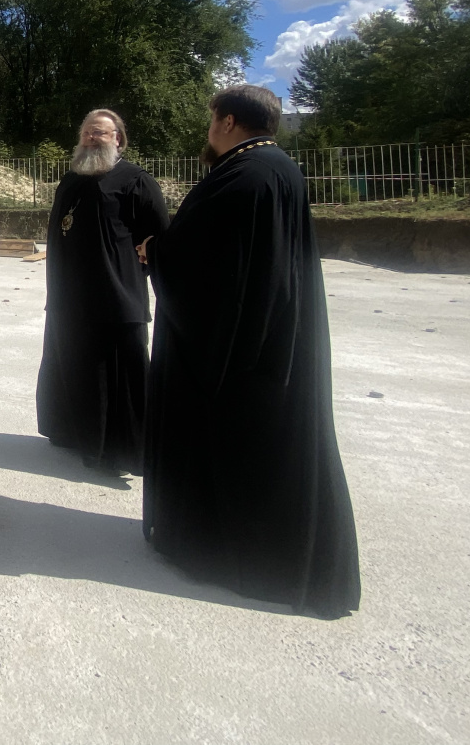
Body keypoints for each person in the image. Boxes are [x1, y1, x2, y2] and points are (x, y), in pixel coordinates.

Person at [142, 85, 361, 618]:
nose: (208, 129)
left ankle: (226, 552)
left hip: (235, 348)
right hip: (270, 334)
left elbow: (205, 263)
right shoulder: (277, 168)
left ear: (227, 122)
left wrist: (156, 251)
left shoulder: (242, 176)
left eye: (211, 118)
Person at [36, 109, 169, 474]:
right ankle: (73, 435)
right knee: (73, 367)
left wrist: (137, 271)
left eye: (100, 133)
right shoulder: (71, 180)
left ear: (118, 139)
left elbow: (159, 239)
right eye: (87, 132)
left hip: (115, 298)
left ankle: (120, 452)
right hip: (68, 298)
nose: (91, 138)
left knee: (115, 378)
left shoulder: (136, 180)